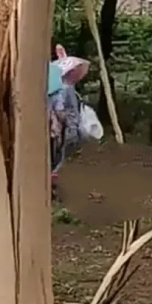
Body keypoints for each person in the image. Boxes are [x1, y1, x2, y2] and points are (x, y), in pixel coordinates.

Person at [48, 44, 90, 194]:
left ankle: (51, 173)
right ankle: (51, 175)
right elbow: (61, 109)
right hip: (65, 125)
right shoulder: (63, 88)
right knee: (61, 150)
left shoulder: (57, 85)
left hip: (58, 125)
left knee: (58, 150)